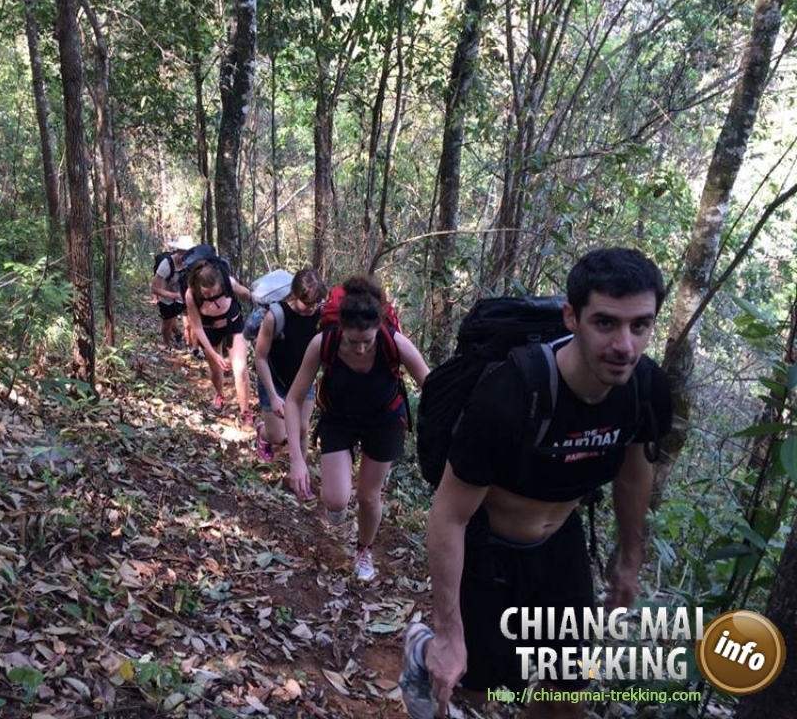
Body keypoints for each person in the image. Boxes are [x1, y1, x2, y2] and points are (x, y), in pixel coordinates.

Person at [399, 248, 673, 719]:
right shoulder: (511, 394)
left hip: (560, 545)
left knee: (569, 690)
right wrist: (447, 634)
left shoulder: (644, 387)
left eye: (640, 325)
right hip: (487, 547)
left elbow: (632, 475)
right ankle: (421, 648)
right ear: (572, 317)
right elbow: (449, 512)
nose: (625, 345)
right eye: (605, 323)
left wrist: (629, 560)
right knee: (475, 684)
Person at [283, 274, 430, 582]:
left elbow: (432, 387)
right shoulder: (324, 342)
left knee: (368, 496)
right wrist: (297, 460)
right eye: (353, 341)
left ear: (379, 328)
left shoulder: (395, 343)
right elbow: (295, 400)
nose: (361, 350)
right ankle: (336, 507)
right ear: (341, 330)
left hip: (385, 420)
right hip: (339, 417)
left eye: (368, 341)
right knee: (336, 500)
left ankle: (364, 550)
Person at [253, 269, 327, 463]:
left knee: (302, 429)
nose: (311, 308)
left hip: (302, 379)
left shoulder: (322, 316)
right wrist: (273, 396)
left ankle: (300, 475)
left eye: (316, 303)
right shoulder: (275, 316)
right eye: (307, 303)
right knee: (278, 436)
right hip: (274, 378)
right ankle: (262, 432)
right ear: (294, 294)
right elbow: (260, 357)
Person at [184, 257, 253, 422]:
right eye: (206, 292)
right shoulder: (191, 294)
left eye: (214, 291)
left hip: (233, 326)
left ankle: (245, 412)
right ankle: (219, 395)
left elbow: (246, 294)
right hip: (209, 331)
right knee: (216, 369)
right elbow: (197, 326)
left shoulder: (228, 283)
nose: (211, 295)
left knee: (241, 369)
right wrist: (215, 355)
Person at [151, 236, 193, 349]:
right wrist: (174, 295)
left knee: (190, 323)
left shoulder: (190, 263)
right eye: (183, 254)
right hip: (167, 298)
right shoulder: (166, 264)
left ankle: (191, 346)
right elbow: (154, 288)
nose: (185, 257)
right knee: (167, 324)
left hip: (183, 296)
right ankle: (167, 345)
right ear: (178, 252)